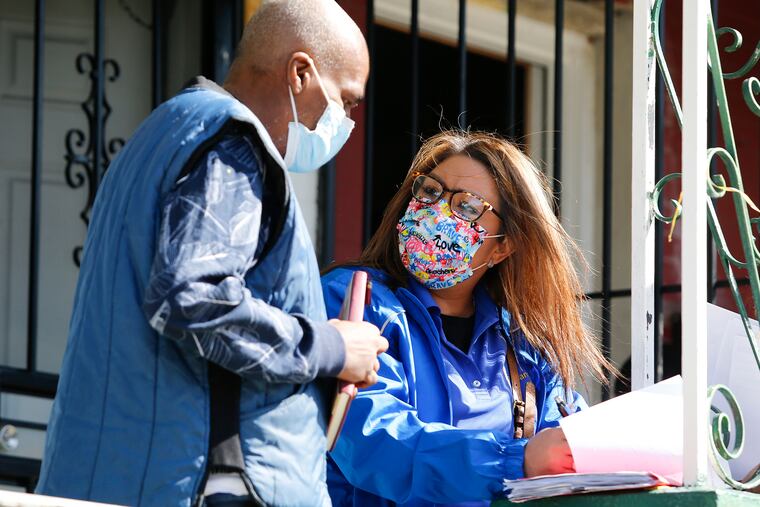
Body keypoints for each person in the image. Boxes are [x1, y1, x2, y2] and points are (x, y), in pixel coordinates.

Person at [36, 1, 387, 506]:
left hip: (129, 473)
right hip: (211, 482)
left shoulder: (167, 133)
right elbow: (192, 300)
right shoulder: (232, 147)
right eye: (346, 101)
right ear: (301, 72)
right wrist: (333, 348)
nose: (346, 121)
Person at [321, 131, 613, 506]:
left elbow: (567, 439)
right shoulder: (354, 299)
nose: (438, 211)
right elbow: (373, 441)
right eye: (430, 192)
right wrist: (515, 460)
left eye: (468, 207)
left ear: (504, 246)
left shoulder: (523, 343)